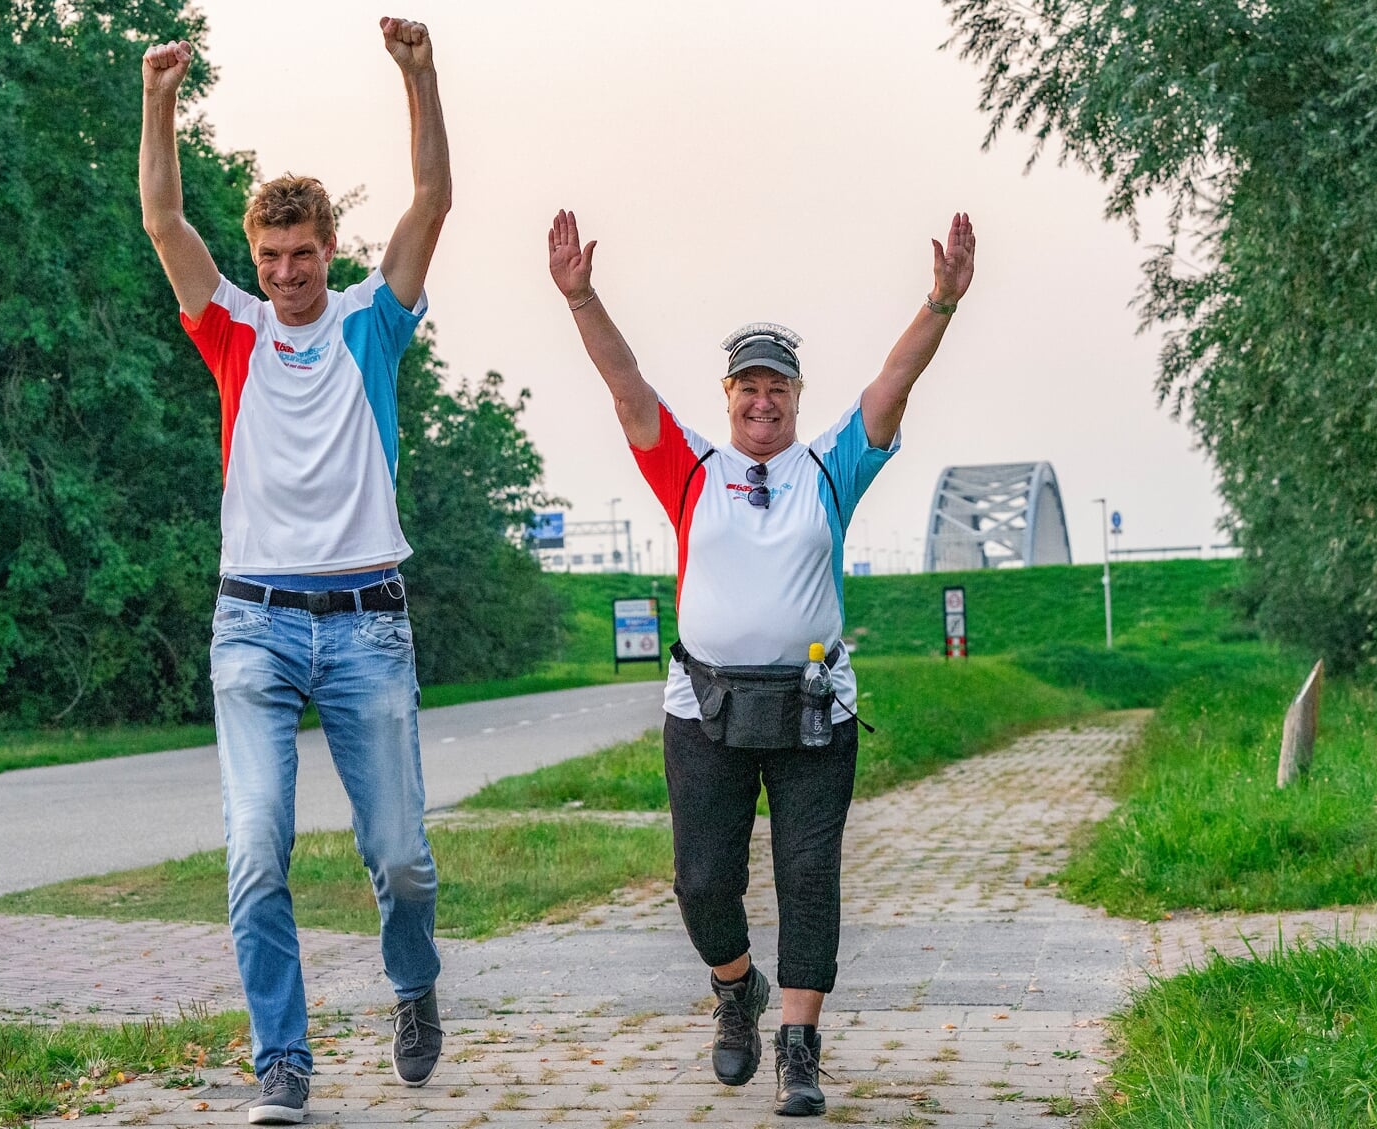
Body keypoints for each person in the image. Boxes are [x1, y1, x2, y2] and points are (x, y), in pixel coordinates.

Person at [545, 208, 976, 1117]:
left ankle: (799, 1042)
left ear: (795, 392)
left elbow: (891, 385)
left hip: (814, 708)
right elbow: (627, 387)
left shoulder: (830, 467)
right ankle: (735, 988)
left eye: (777, 386)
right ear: (729, 392)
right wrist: (582, 296)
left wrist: (939, 302)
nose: (762, 401)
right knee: (704, 879)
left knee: (808, 873)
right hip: (705, 706)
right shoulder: (691, 468)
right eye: (748, 385)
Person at [138, 18, 452, 1124]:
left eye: (301, 255)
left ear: (328, 249)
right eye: (268, 258)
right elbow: (164, 219)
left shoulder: (374, 322)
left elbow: (430, 206)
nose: (284, 274)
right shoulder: (229, 326)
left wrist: (420, 75)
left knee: (402, 858)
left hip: (368, 622)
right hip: (253, 625)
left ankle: (414, 986)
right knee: (256, 847)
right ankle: (285, 1057)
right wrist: (159, 99)